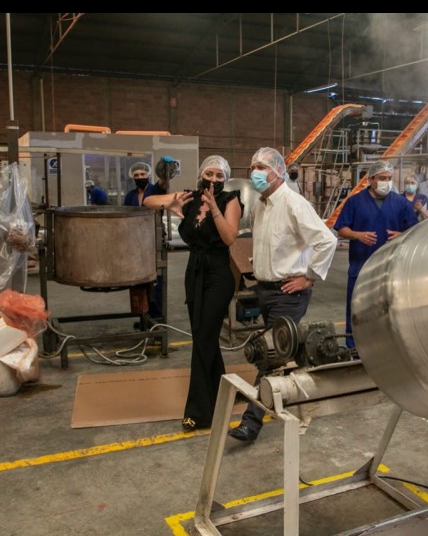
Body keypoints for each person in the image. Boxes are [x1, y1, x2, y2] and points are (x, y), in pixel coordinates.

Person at [228, 147, 338, 443]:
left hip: (288, 293)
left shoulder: (294, 203)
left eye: (261, 167)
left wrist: (309, 276)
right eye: (253, 167)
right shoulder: (260, 205)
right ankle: (293, 398)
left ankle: (251, 422)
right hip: (265, 290)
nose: (254, 172)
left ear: (277, 171)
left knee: (270, 355)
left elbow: (327, 241)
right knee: (277, 353)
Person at [144, 156, 243, 432]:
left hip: (219, 276)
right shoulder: (191, 197)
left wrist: (215, 209)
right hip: (194, 273)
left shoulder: (230, 200)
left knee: (203, 339)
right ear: (201, 174)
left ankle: (198, 413)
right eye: (209, 173)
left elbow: (229, 238)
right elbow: (147, 201)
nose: (213, 179)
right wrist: (170, 203)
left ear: (225, 179)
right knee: (203, 336)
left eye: (219, 175)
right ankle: (224, 390)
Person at [333, 160, 417, 349]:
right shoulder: (355, 202)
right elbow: (341, 228)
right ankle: (354, 349)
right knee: (357, 310)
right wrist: (357, 235)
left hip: (391, 268)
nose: (386, 182)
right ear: (370, 179)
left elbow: (415, 230)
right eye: (382, 178)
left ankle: (386, 348)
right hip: (361, 266)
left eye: (389, 178)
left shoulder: (400, 203)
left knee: (389, 311)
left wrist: (401, 235)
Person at [123, 161, 163, 321]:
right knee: (139, 280)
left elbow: (163, 184)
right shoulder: (130, 196)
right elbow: (125, 217)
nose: (140, 177)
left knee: (155, 279)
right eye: (136, 175)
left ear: (148, 175)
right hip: (135, 241)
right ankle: (143, 316)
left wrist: (165, 170)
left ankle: (157, 316)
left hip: (153, 239)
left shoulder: (155, 190)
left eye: (142, 174)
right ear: (132, 177)